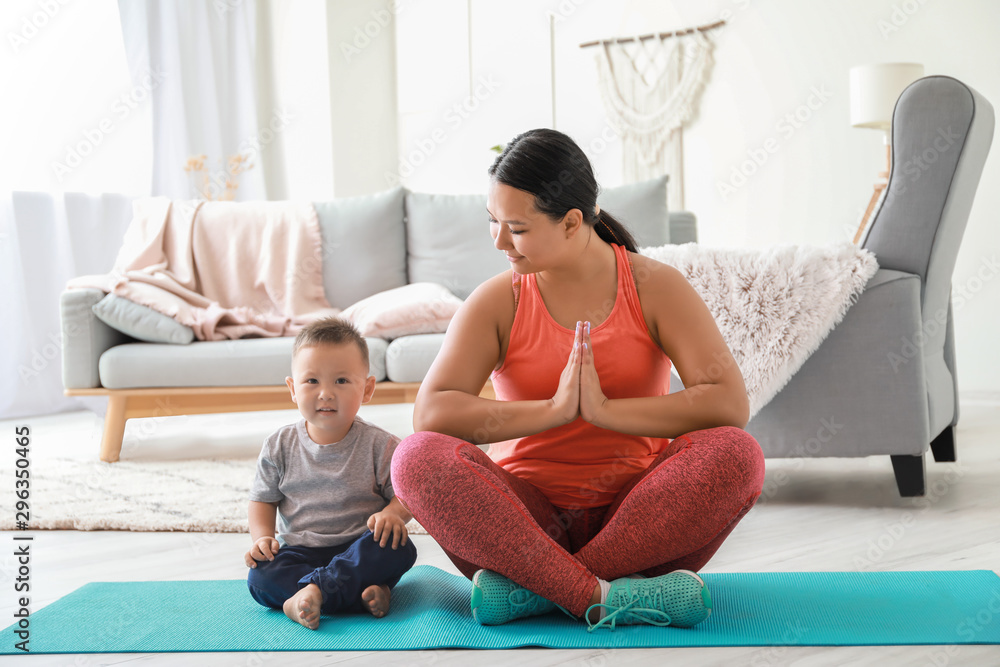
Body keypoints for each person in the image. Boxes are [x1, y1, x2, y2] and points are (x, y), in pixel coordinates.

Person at [390, 128, 765, 631]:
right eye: (493, 223)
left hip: (639, 521)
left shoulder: (655, 286)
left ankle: (543, 592)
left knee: (738, 453)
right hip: (524, 529)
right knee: (414, 458)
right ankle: (604, 596)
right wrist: (553, 411)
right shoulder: (499, 299)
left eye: (516, 228)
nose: (499, 241)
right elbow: (432, 414)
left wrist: (606, 412)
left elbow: (727, 402)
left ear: (570, 222)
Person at [245, 317, 417, 630]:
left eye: (340, 381)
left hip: (357, 550)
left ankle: (307, 595)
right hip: (300, 553)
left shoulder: (382, 445)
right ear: (292, 389)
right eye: (311, 381)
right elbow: (262, 500)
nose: (325, 393)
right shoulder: (278, 446)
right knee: (259, 575)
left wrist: (393, 514)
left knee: (398, 548)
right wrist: (263, 538)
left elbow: (405, 495)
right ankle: (354, 595)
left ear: (367, 389)